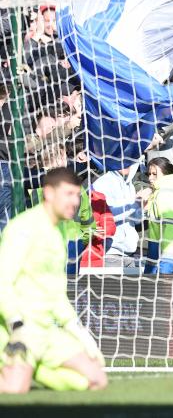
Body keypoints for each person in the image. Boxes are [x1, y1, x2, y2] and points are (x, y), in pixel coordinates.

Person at [0, 168, 107, 393]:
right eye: (68, 194)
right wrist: (15, 322)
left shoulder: (59, 233)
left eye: (77, 195)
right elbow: (2, 282)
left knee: (97, 378)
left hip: (46, 331)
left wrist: (78, 330)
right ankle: (21, 371)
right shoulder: (23, 228)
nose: (75, 202)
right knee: (13, 390)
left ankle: (33, 369)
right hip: (19, 329)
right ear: (48, 193)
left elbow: (56, 295)